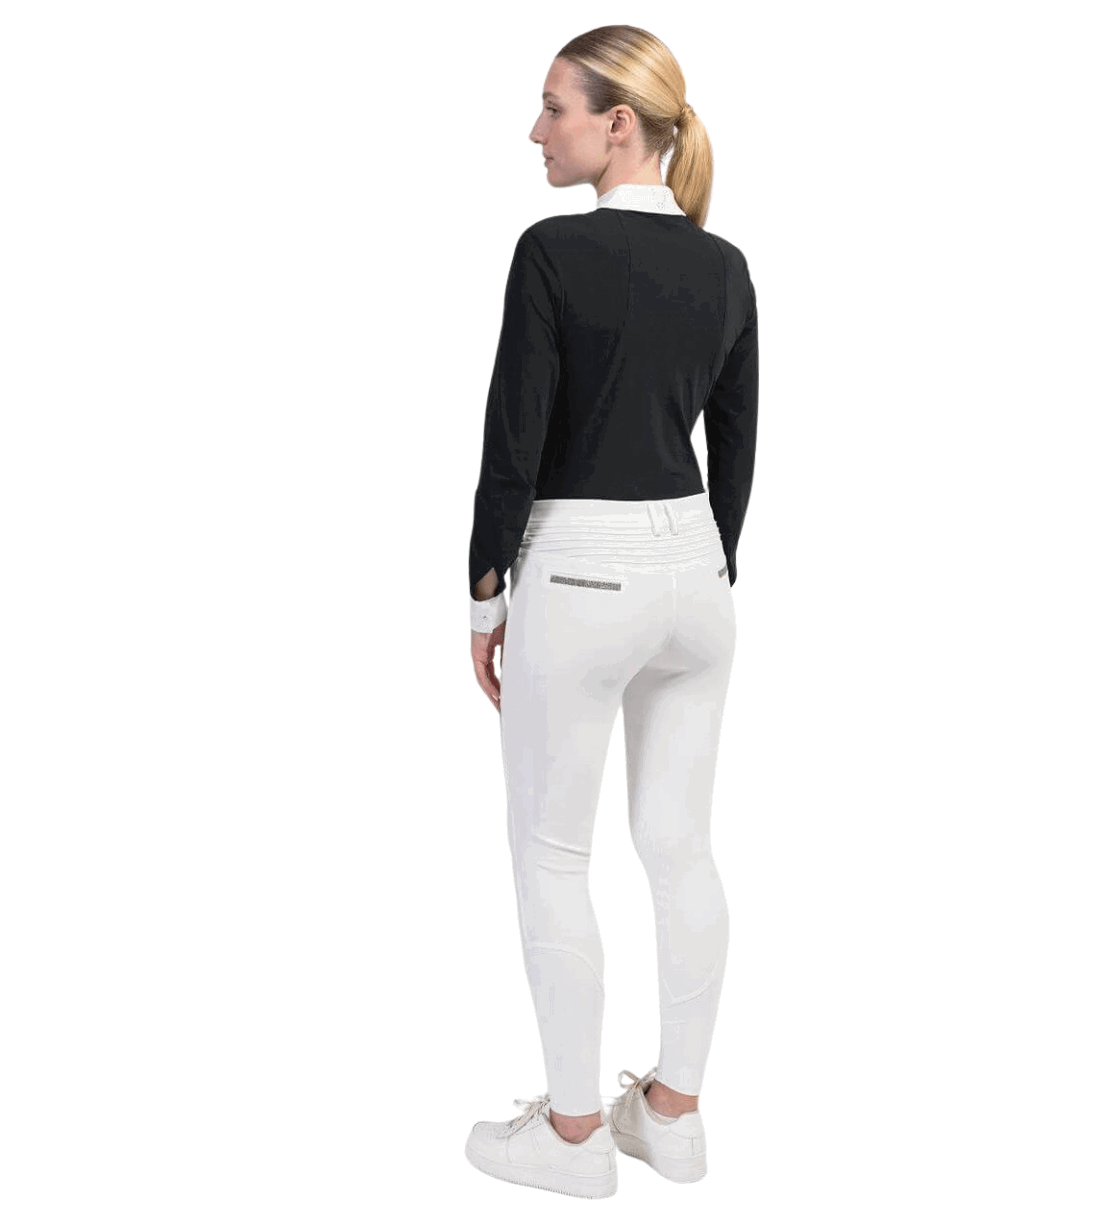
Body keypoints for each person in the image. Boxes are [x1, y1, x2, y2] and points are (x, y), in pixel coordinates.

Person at [463, 25, 758, 1198]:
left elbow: (515, 434)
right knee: (681, 844)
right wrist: (708, 564)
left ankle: (577, 1137)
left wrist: (485, 595)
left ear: (618, 124)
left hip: (578, 568)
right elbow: (736, 445)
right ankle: (673, 1119)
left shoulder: (552, 252)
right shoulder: (724, 266)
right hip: (698, 573)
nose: (536, 131)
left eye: (555, 107)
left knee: (552, 853)